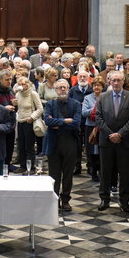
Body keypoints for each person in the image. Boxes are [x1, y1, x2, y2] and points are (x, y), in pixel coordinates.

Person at [96, 71, 129, 213]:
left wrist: (120, 134)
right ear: (109, 81)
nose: (116, 83)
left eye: (119, 80)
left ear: (123, 81)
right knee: (105, 171)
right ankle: (104, 199)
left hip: (124, 141)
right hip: (106, 141)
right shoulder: (103, 97)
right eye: (114, 80)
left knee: (124, 172)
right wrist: (110, 134)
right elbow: (98, 118)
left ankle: (124, 201)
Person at [44, 79, 81, 211]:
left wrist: (57, 124)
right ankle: (55, 200)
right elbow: (47, 121)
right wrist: (65, 121)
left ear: (69, 89)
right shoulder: (50, 104)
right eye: (60, 87)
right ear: (55, 90)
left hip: (70, 142)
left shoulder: (76, 104)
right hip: (54, 142)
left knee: (68, 174)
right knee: (54, 174)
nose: (62, 89)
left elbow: (76, 123)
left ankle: (66, 200)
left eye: (65, 87)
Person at [15, 77, 43, 174]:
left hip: (29, 122)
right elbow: (19, 108)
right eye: (20, 84)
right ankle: (23, 166)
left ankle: (31, 167)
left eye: (23, 84)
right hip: (20, 121)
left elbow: (40, 109)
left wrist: (32, 117)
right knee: (21, 145)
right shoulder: (18, 94)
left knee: (29, 146)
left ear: (28, 84)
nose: (21, 86)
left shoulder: (33, 94)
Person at [82, 76, 106, 182]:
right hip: (90, 126)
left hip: (102, 127)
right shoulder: (87, 98)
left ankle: (102, 171)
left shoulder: (106, 97)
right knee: (91, 150)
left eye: (99, 85)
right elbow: (84, 112)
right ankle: (93, 172)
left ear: (102, 87)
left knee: (101, 149)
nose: (97, 87)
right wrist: (96, 108)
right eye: (95, 85)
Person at [0, 70, 17, 172]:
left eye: (11, 79)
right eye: (7, 79)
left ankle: (8, 164)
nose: (9, 81)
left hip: (11, 123)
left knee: (10, 146)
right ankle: (1, 165)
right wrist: (4, 108)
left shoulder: (11, 90)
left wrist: (15, 104)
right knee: (1, 148)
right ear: (0, 80)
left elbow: (15, 108)